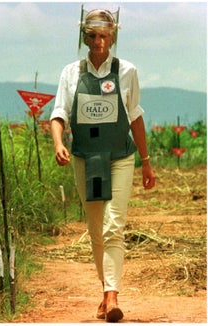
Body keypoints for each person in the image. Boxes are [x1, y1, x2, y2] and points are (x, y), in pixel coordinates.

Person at [50, 9, 156, 322]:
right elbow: (58, 114)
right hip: (86, 159)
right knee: (96, 228)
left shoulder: (127, 71)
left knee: (114, 226)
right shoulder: (71, 73)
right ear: (85, 37)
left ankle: (112, 296)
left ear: (113, 37)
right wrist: (59, 144)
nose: (98, 42)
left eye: (104, 36)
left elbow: (135, 116)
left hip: (120, 157)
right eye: (93, 35)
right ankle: (105, 289)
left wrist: (146, 162)